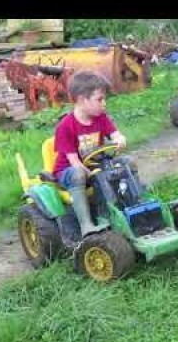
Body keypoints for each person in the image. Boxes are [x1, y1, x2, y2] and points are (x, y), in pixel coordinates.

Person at [52, 70, 136, 236]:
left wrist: (120, 139)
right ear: (82, 100)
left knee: (127, 162)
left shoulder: (101, 118)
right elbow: (74, 161)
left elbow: (115, 134)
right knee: (78, 174)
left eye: (104, 99)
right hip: (68, 171)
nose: (104, 103)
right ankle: (86, 225)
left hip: (95, 164)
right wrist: (94, 174)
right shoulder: (65, 126)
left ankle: (134, 204)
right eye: (100, 99)